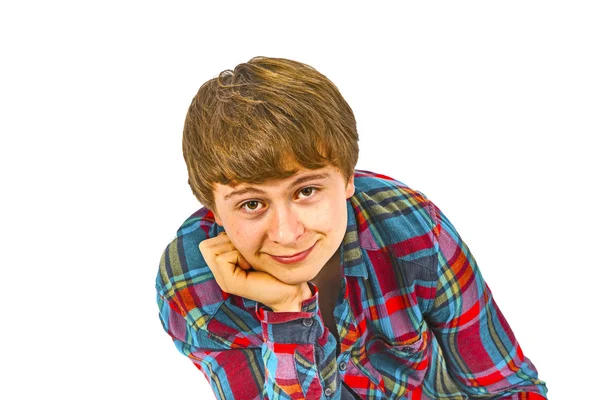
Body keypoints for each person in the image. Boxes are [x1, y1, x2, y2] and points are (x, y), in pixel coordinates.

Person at [155, 57, 548, 400]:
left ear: (347, 179)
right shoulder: (192, 283)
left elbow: (507, 387)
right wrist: (287, 310)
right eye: (252, 204)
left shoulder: (409, 224)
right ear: (214, 210)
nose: (287, 233)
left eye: (306, 191)